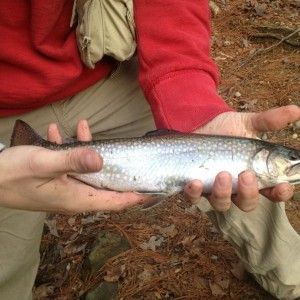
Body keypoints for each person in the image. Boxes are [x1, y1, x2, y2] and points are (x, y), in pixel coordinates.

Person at [0, 0, 299, 299]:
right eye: (292, 159)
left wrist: (193, 101)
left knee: (256, 202)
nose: (294, 164)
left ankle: (291, 278)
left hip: (105, 77)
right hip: (5, 108)